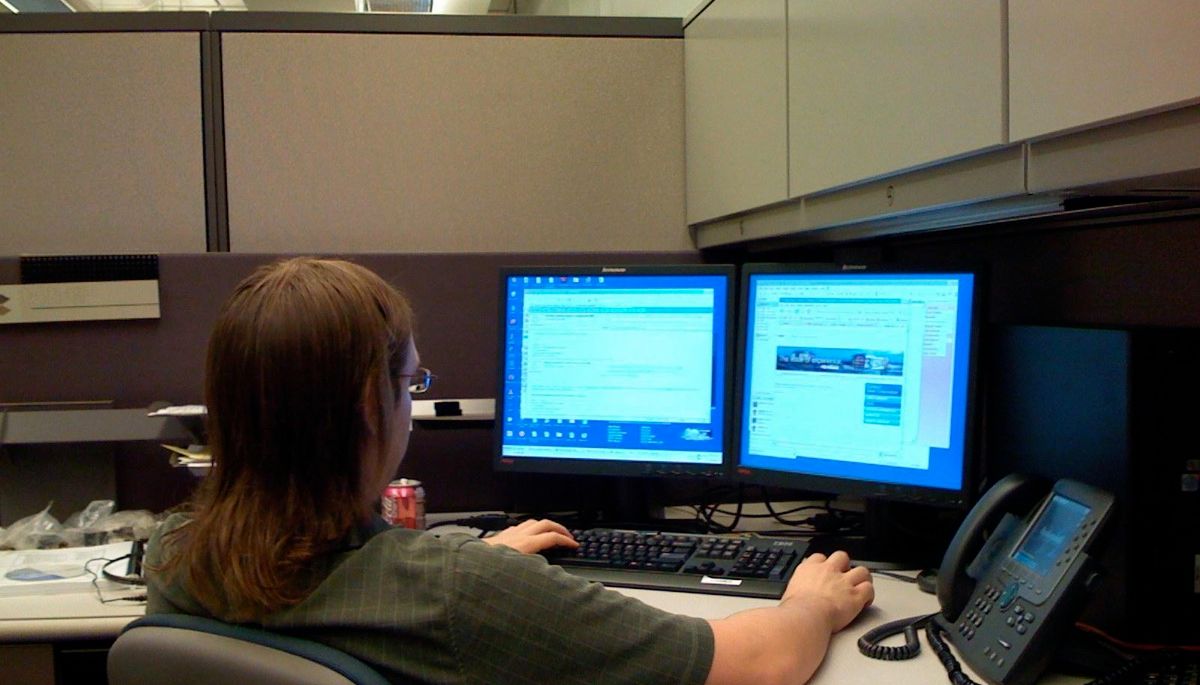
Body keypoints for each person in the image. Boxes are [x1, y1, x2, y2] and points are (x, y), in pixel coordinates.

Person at [145, 257, 874, 685]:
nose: (410, 401)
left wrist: (480, 557)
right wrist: (811, 604)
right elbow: (756, 666)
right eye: (409, 382)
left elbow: (359, 592)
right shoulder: (461, 594)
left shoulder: (177, 554)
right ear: (372, 406)